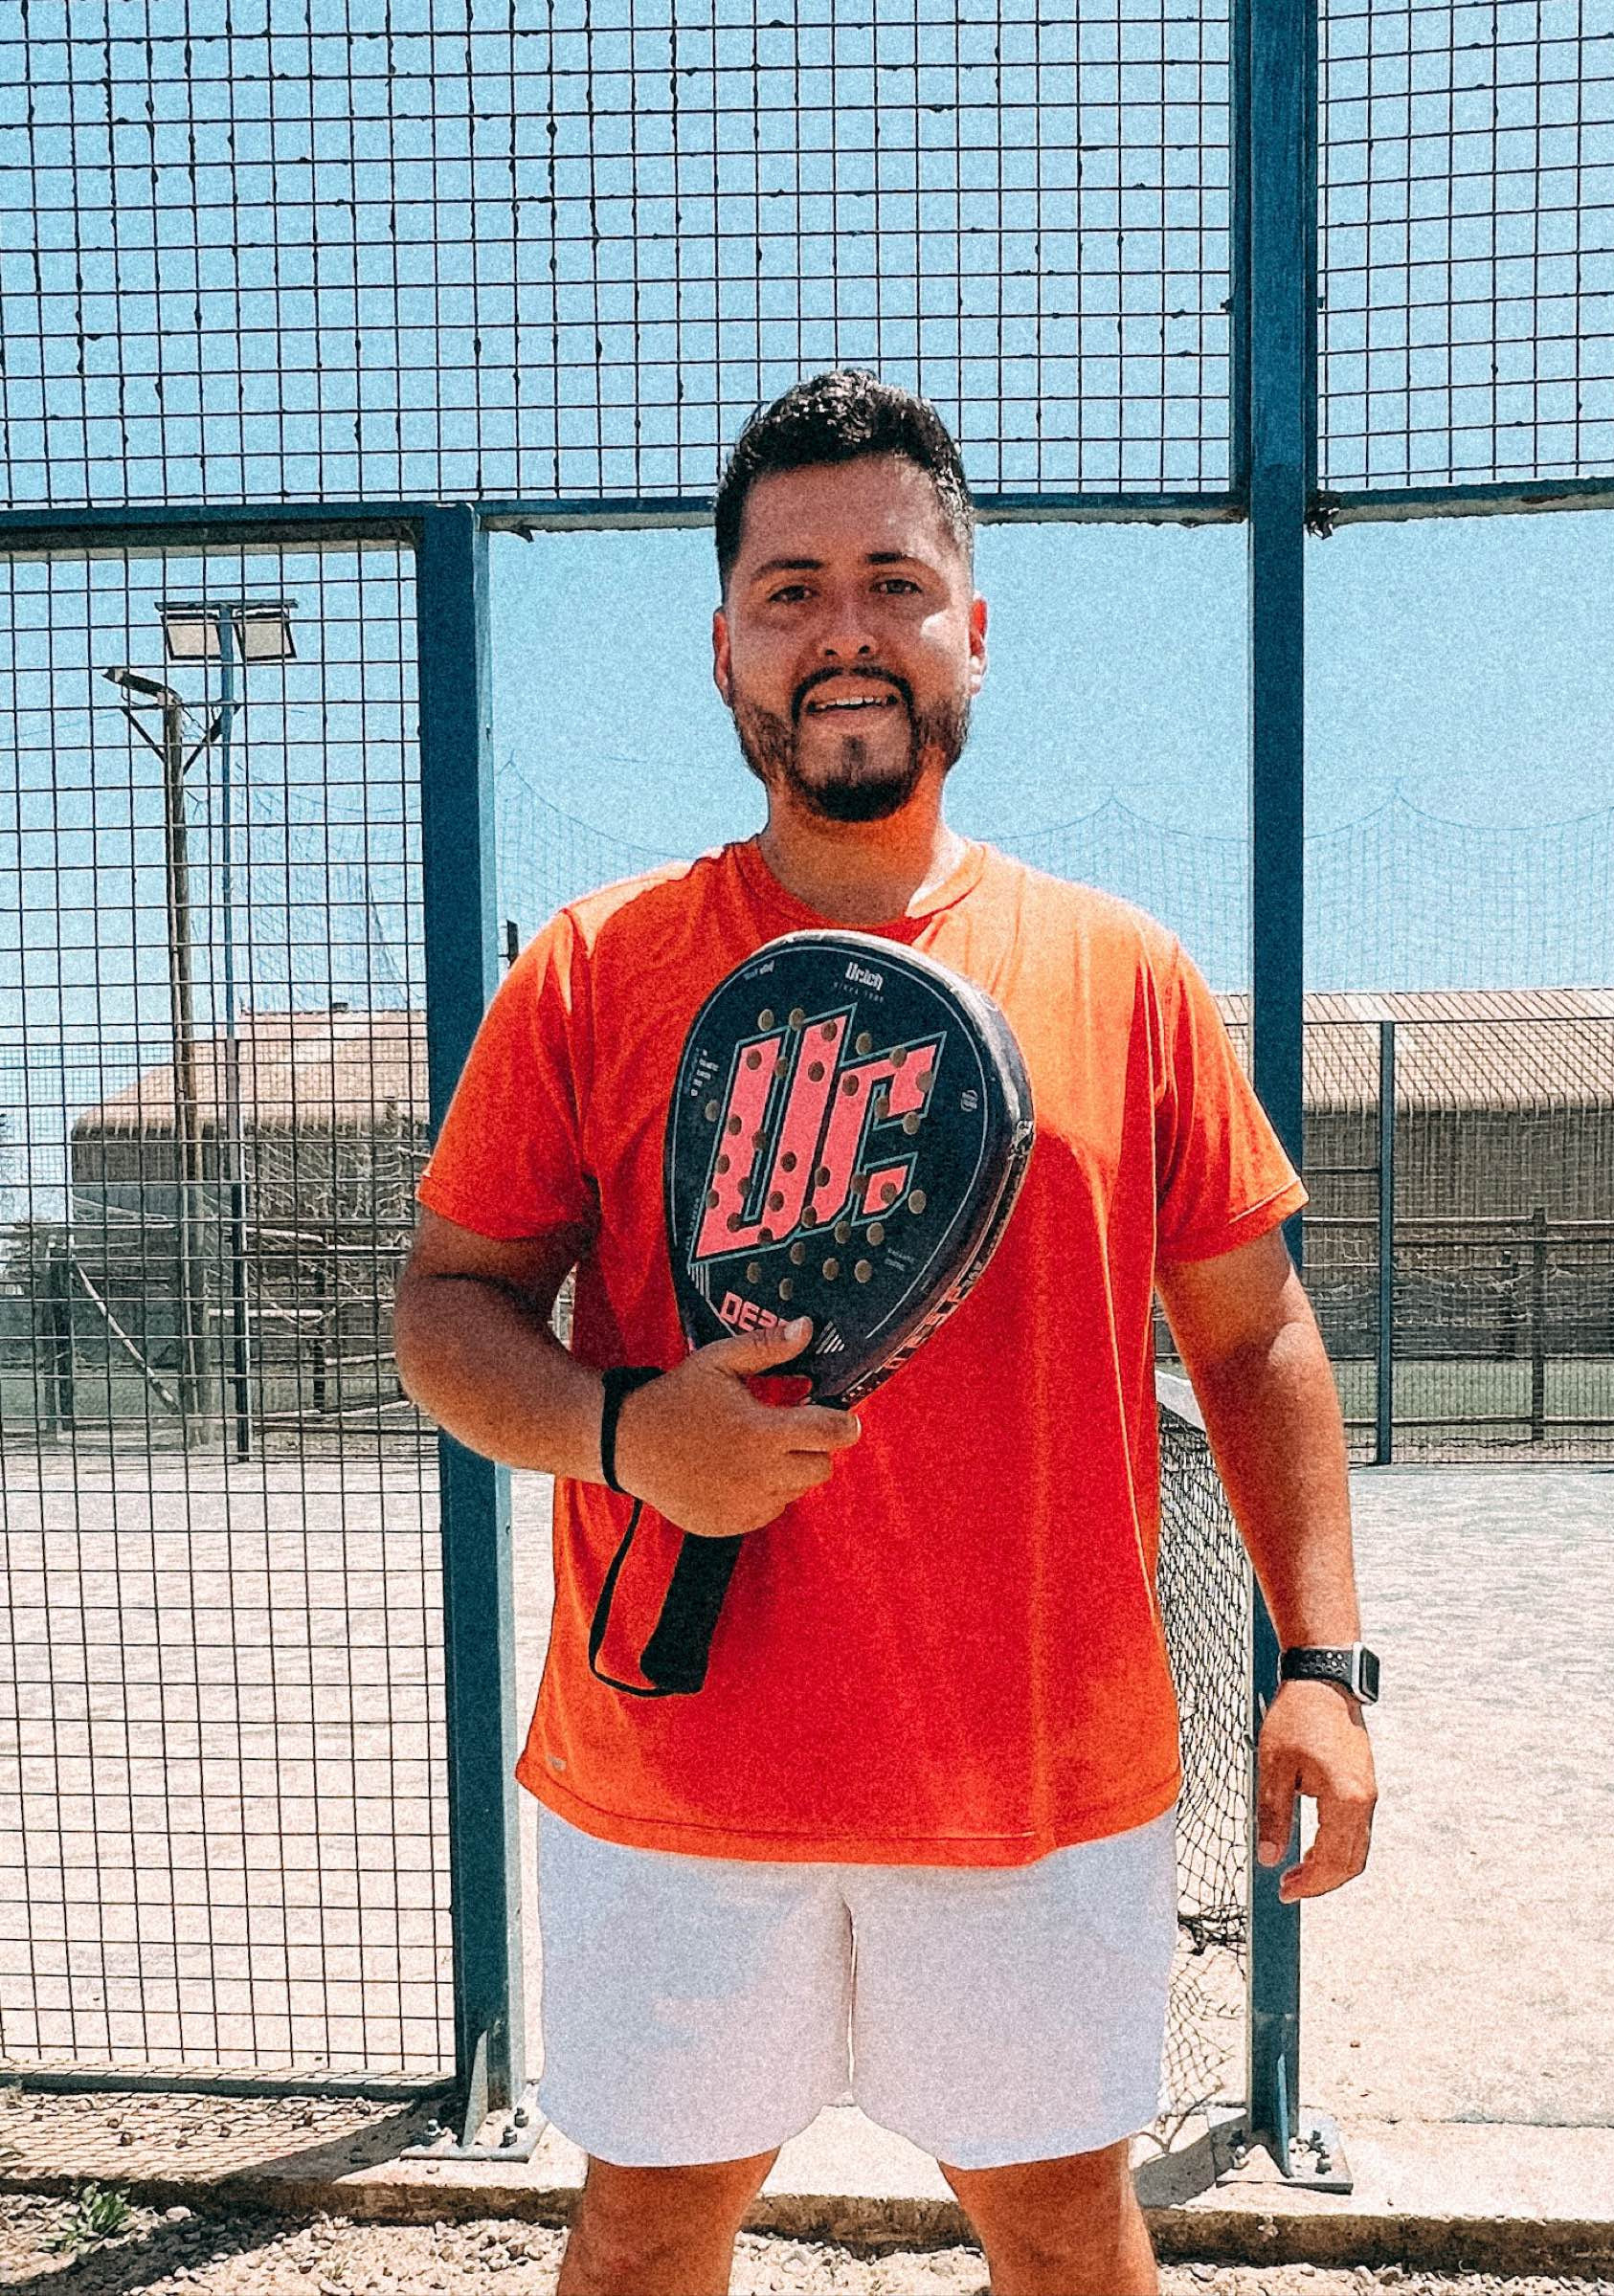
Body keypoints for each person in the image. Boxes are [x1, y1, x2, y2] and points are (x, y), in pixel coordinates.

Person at [394, 368, 1378, 2296]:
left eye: (894, 584)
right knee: (647, 2231)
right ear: (725, 650)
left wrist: (1326, 1664)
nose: (844, 630)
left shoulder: (1123, 974)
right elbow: (447, 1309)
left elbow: (1256, 1336)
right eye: (791, 592)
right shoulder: (591, 970)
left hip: (1036, 1781)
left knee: (1065, 2235)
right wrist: (624, 1432)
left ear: (971, 630)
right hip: (673, 1770)